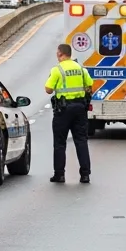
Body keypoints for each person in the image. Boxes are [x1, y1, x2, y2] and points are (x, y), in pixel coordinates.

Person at [45, 43, 93, 184]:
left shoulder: (57, 70)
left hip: (63, 110)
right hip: (80, 109)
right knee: (81, 141)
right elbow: (90, 86)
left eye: (57, 53)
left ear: (60, 54)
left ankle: (59, 175)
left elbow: (48, 89)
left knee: (60, 143)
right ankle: (85, 175)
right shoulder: (81, 68)